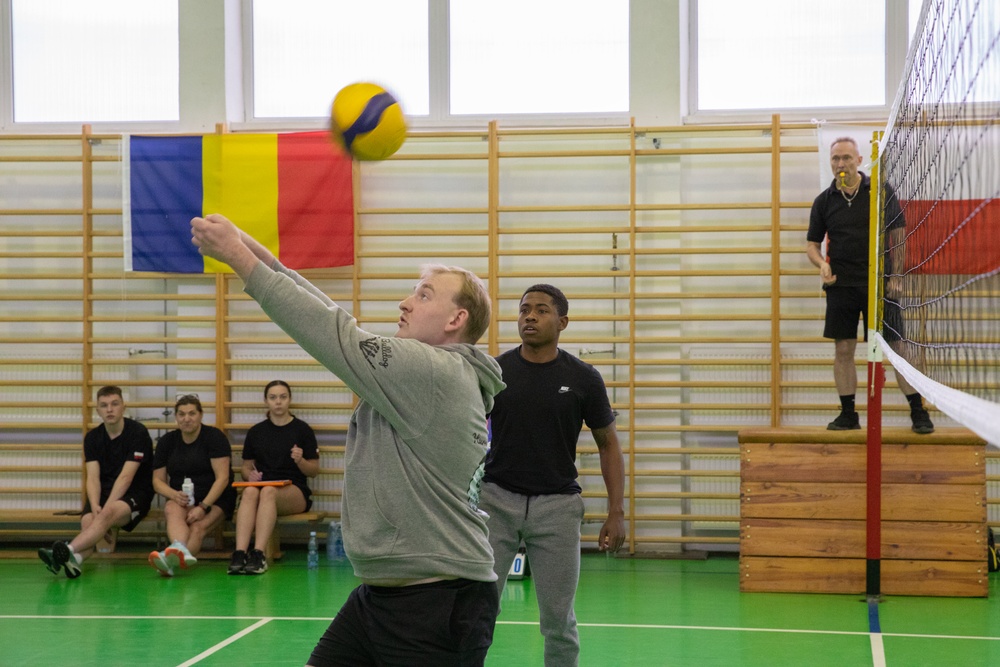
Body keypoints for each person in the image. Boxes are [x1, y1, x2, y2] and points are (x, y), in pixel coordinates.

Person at [191, 213, 505, 667]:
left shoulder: (433, 370)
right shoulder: (425, 374)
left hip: (436, 604)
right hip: (385, 596)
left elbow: (332, 332)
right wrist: (258, 253)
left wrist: (240, 259)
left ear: (457, 318)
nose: (404, 303)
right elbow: (335, 319)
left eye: (423, 295)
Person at [479, 284, 626, 667]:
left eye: (541, 310)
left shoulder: (584, 378)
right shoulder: (495, 371)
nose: (529, 316)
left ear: (561, 322)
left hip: (558, 508)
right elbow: (467, 434)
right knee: (476, 613)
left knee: (559, 622)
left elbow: (608, 445)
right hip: (495, 503)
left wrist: (616, 512)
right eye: (525, 309)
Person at [807, 136, 934, 434]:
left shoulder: (879, 191)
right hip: (841, 287)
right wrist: (821, 263)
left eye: (846, 158)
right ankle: (848, 414)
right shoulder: (824, 201)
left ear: (859, 159)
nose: (841, 163)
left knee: (897, 348)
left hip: (879, 285)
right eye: (836, 158)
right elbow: (811, 245)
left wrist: (897, 275)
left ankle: (918, 411)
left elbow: (899, 234)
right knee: (843, 349)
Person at [38, 385, 154, 579]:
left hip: (135, 494)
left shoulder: (138, 433)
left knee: (102, 518)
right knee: (89, 522)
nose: (109, 409)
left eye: (114, 404)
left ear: (123, 407)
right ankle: (74, 561)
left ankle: (67, 549)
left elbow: (126, 478)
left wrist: (105, 514)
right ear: (98, 410)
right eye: (104, 405)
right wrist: (94, 506)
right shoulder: (92, 438)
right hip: (102, 496)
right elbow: (92, 477)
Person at [229, 380, 320, 575]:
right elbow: (245, 467)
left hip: (294, 490)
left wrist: (300, 460)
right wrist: (250, 475)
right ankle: (239, 553)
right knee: (250, 491)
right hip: (262, 486)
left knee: (268, 492)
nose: (278, 402)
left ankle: (259, 554)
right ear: (266, 401)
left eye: (282, 397)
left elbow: (313, 470)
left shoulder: (302, 430)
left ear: (289, 400)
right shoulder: (256, 432)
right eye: (273, 397)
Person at [148, 394, 236, 576]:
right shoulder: (167, 442)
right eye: (181, 414)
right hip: (183, 497)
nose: (186, 419)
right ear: (176, 417)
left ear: (200, 415)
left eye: (191, 414)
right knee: (171, 508)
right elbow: (157, 481)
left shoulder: (214, 437)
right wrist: (173, 494)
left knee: (197, 528)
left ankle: (171, 562)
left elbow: (223, 479)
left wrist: (203, 507)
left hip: (216, 497)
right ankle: (177, 550)